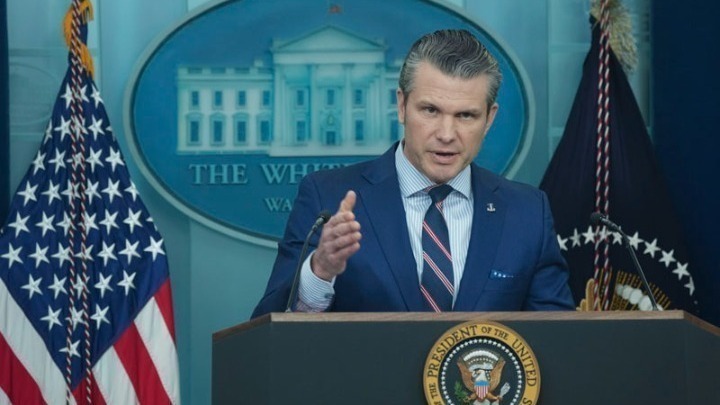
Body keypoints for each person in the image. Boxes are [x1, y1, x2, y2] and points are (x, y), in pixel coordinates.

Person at [252, 29, 574, 317]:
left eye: (465, 116)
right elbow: (272, 330)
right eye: (430, 110)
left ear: (489, 119)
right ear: (402, 106)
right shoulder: (326, 197)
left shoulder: (527, 213)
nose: (446, 134)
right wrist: (320, 271)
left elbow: (558, 341)